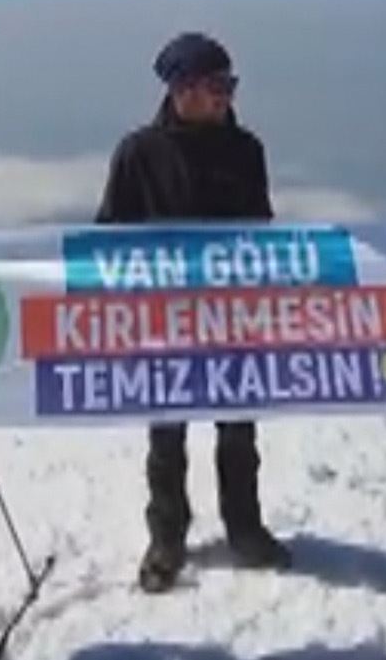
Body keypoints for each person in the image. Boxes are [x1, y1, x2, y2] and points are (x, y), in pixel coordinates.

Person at [96, 31, 293, 593]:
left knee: (238, 432)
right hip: (163, 321)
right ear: (181, 89)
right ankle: (167, 538)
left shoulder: (247, 150)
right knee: (167, 436)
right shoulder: (138, 153)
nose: (227, 94)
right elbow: (108, 238)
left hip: (232, 316)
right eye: (216, 85)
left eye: (231, 84)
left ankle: (246, 529)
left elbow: (260, 227)